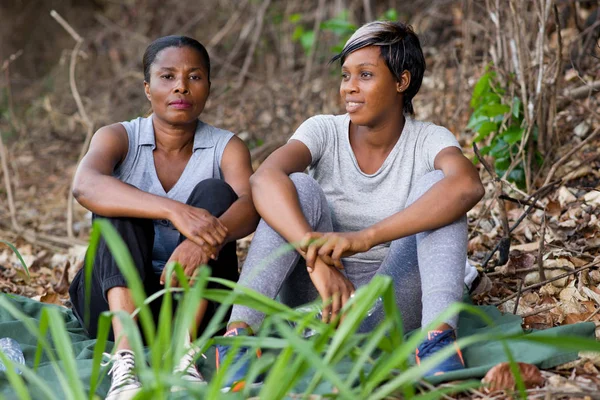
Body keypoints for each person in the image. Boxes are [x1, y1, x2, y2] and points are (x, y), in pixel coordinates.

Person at [214, 21, 485, 391]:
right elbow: (263, 178)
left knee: (442, 188)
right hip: (317, 302)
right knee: (296, 185)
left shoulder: (429, 139)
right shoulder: (323, 130)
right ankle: (238, 340)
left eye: (366, 75)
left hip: (389, 305)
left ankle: (437, 341)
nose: (350, 88)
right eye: (345, 76)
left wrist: (366, 238)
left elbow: (468, 185)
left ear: (401, 82)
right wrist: (316, 256)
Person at [68, 36, 259, 400]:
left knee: (218, 194)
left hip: (196, 306)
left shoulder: (226, 146)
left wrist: (201, 243)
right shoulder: (118, 136)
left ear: (208, 87)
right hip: (113, 304)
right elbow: (85, 185)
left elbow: (250, 206)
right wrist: (175, 210)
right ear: (147, 87)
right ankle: (125, 359)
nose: (181, 87)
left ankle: (184, 355)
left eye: (194, 77)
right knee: (116, 204)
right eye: (167, 76)